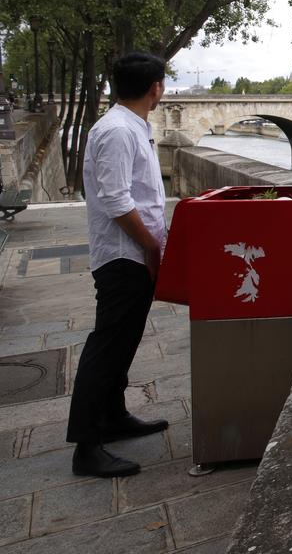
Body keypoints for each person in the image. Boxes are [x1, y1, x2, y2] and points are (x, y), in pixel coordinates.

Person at [67, 53, 169, 478]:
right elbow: (115, 200)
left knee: (123, 341)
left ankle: (113, 415)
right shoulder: (117, 131)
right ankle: (86, 445)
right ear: (155, 88)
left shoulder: (129, 127)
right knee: (107, 346)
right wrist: (150, 247)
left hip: (133, 253)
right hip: (124, 255)